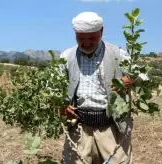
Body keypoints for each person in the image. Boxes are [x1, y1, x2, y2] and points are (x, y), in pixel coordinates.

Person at [58, 11, 134, 164]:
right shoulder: (67, 56)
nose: (86, 43)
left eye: (92, 38)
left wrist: (130, 79)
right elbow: (53, 88)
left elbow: (142, 75)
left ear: (102, 32)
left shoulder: (119, 54)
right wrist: (61, 104)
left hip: (111, 130)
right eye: (81, 38)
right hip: (78, 130)